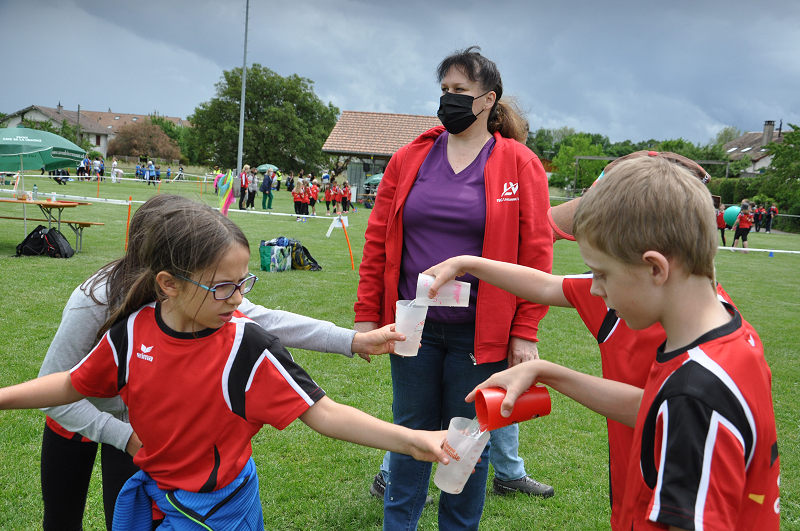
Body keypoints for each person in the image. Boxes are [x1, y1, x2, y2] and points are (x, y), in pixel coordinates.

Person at [2, 195, 446, 530]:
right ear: (168, 282)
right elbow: (67, 385)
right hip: (144, 479)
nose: (237, 300)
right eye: (224, 287)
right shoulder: (128, 329)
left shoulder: (245, 343)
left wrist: (410, 440)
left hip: (220, 508)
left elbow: (324, 413)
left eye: (242, 283)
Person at [468, 155, 780, 530]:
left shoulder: (694, 394)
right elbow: (652, 407)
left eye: (601, 274)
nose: (594, 289)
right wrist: (544, 371)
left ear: (655, 268)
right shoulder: (731, 339)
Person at [355, 46, 553, 530]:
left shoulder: (519, 163)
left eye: (460, 90)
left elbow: (536, 253)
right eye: (444, 90)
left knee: (468, 442)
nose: (449, 99)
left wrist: (525, 329)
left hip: (480, 335)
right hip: (412, 328)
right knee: (409, 436)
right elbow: (378, 239)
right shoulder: (410, 158)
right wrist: (365, 316)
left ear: (488, 99)